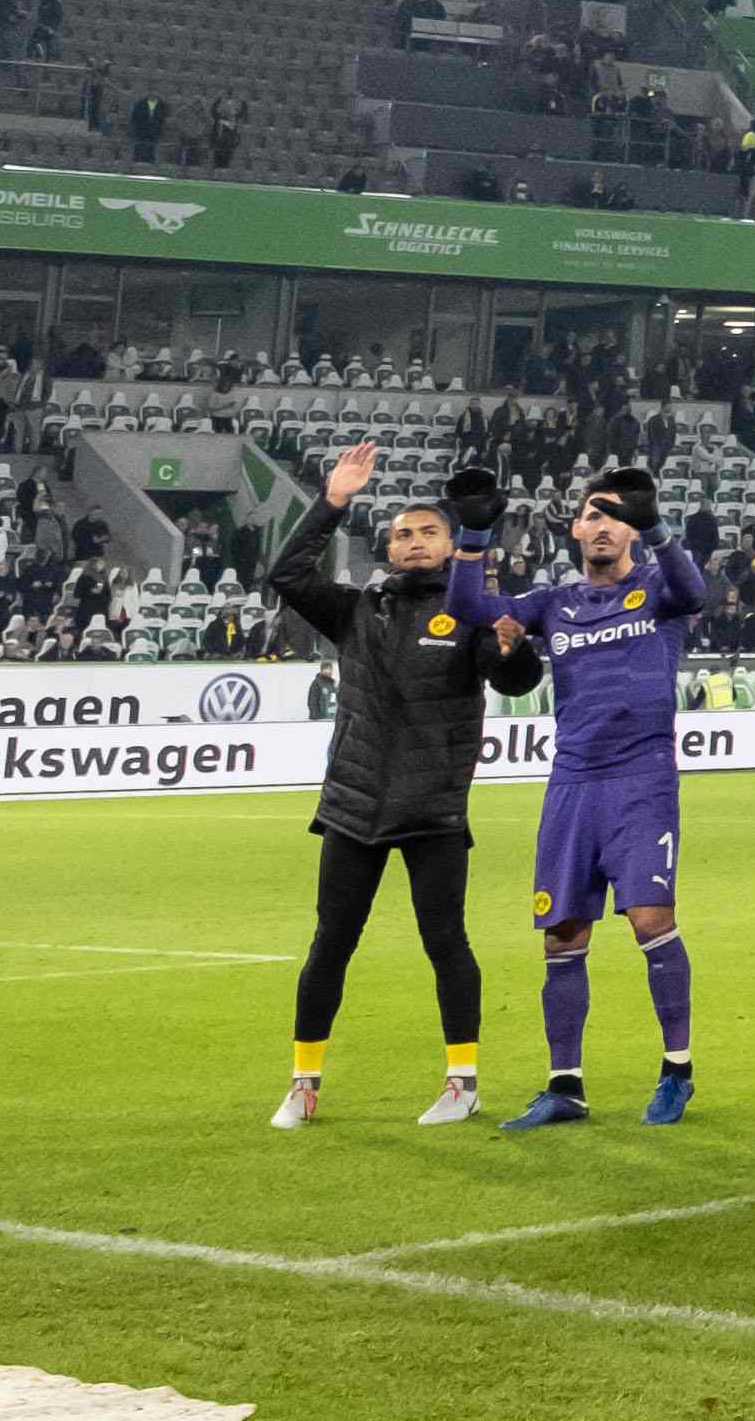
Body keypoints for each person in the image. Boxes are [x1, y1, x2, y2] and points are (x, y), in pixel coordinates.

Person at [262, 444, 537, 1128]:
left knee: (446, 941)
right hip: (352, 807)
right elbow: (286, 573)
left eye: (427, 531)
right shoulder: (357, 609)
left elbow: (514, 680)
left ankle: (462, 1082)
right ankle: (302, 1082)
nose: (413, 542)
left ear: (450, 542)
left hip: (432, 808)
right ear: (388, 547)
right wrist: (333, 501)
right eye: (402, 533)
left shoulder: (473, 611)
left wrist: (515, 647)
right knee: (331, 943)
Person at [486, 467, 710, 1129]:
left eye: (616, 514)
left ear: (631, 529)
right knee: (561, 933)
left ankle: (676, 1071)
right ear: (575, 529)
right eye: (592, 514)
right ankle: (566, 1086)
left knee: (650, 920)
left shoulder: (659, 589)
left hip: (642, 779)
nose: (604, 524)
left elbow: (695, 591)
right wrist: (472, 540)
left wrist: (657, 523)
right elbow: (477, 612)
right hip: (571, 783)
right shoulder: (554, 603)